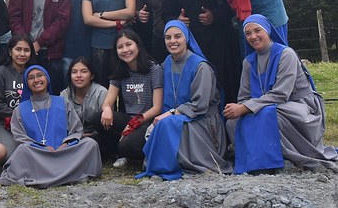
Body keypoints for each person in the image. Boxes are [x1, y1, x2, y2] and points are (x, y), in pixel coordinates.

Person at [225, 15, 338, 174]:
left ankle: (287, 159)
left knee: (269, 115)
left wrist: (245, 107)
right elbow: (244, 96)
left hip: (300, 105)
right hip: (265, 106)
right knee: (233, 122)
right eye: (248, 33)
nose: (253, 36)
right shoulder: (248, 62)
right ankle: (254, 162)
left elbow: (281, 94)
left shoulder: (286, 54)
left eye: (257, 31)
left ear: (268, 31)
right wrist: (241, 108)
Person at [137, 21, 231, 180]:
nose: (172, 41)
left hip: (203, 120)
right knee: (163, 124)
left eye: (177, 36)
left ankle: (170, 165)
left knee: (167, 124)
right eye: (168, 37)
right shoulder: (167, 63)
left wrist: (172, 113)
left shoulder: (201, 66)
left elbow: (200, 105)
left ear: (186, 38)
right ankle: (165, 165)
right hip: (178, 117)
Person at [161, 0, 241, 103]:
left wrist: (215, 15)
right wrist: (178, 21)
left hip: (221, 40)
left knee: (228, 83)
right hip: (194, 45)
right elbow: (166, 14)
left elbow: (231, 3)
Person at [0, 65, 102, 188]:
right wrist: (42, 147)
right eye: (31, 78)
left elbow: (76, 130)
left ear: (47, 79)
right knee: (23, 150)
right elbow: (20, 137)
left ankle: (45, 176)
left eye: (40, 75)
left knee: (90, 144)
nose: (36, 80)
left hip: (64, 153)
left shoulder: (62, 102)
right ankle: (70, 174)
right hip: (38, 156)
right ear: (26, 83)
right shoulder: (20, 109)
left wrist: (66, 144)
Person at [8, 0, 71, 93]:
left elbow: (62, 21)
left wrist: (40, 42)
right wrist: (26, 43)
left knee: (53, 92)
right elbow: (14, 17)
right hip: (25, 53)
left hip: (51, 52)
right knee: (25, 93)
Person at [100, 30, 164, 166]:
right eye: (120, 47)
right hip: (128, 117)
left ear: (138, 46)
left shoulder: (154, 69)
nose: (125, 50)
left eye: (129, 44)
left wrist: (134, 123)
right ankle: (119, 153)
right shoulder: (120, 70)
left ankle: (130, 153)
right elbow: (108, 101)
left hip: (147, 120)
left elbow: (157, 108)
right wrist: (106, 109)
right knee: (98, 118)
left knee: (127, 145)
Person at [82, 0, 137, 85]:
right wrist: (116, 23)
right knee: (102, 86)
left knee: (127, 85)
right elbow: (88, 19)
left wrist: (101, 15)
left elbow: (130, 11)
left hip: (124, 45)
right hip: (99, 46)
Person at [61, 57, 117, 163]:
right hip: (73, 137)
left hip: (98, 136)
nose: (78, 75)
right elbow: (62, 123)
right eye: (74, 72)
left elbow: (107, 125)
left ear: (92, 75)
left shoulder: (101, 92)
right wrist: (79, 135)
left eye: (83, 71)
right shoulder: (64, 94)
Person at [0, 34, 35, 156]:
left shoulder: (35, 74)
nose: (22, 54)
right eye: (18, 49)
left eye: (26, 50)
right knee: (13, 155)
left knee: (36, 152)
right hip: (2, 124)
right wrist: (21, 115)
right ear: (10, 51)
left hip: (29, 124)